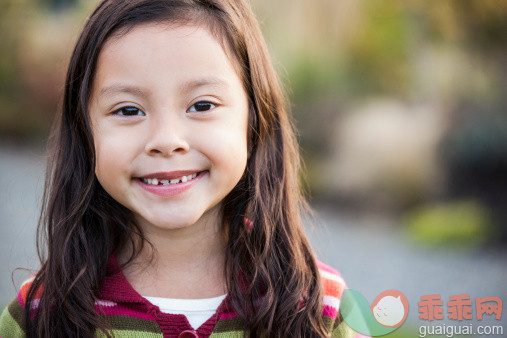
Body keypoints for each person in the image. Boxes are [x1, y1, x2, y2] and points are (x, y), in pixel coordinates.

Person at [0, 0, 356, 336]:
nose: (167, 140)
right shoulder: (40, 314)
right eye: (128, 110)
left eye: (201, 105)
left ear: (254, 118)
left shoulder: (319, 305)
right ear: (85, 131)